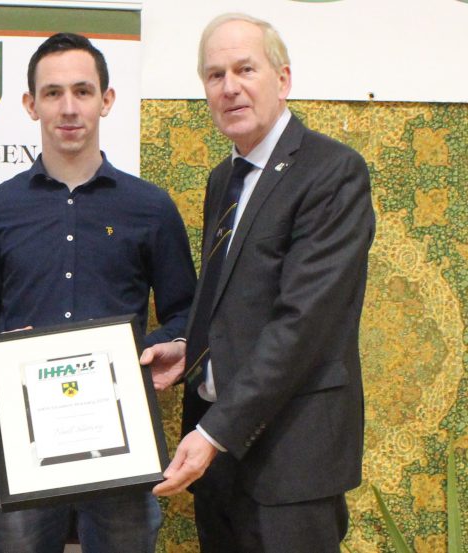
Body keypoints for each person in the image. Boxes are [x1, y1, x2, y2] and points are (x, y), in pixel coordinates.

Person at [141, 13, 375, 552]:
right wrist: (189, 353)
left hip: (291, 464)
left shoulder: (332, 172)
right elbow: (229, 300)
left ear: (283, 78)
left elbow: (303, 324)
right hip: (221, 467)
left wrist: (213, 433)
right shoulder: (224, 179)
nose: (230, 87)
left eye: (245, 69)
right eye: (215, 75)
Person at [0, 33, 196, 553]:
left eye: (83, 91)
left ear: (106, 100)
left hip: (122, 440)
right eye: (53, 93)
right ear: (30, 104)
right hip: (23, 438)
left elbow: (187, 313)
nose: (69, 108)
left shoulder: (149, 207)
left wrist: (168, 343)